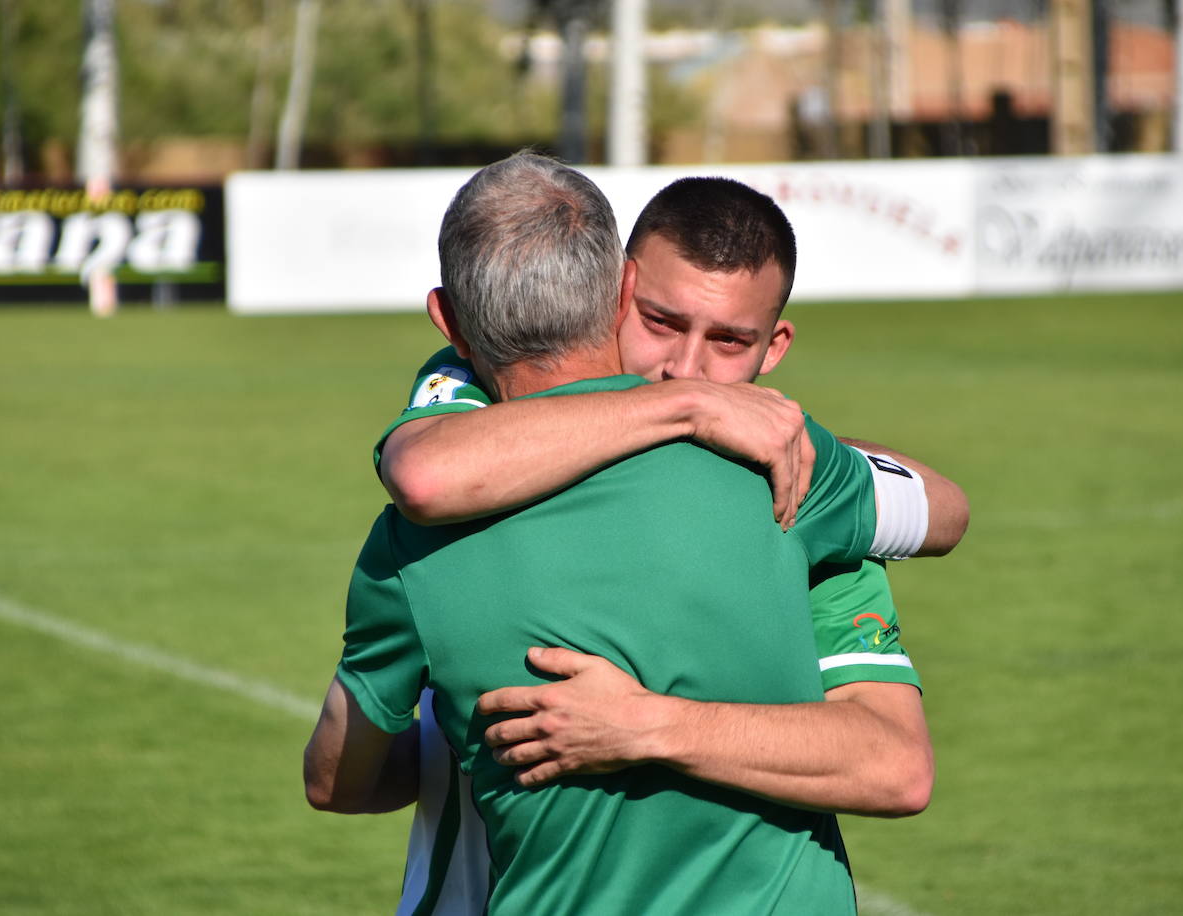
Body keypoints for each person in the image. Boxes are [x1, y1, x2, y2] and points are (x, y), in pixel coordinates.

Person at [305, 153, 920, 915]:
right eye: (662, 323)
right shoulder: (798, 486)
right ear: (623, 291)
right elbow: (426, 469)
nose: (685, 370)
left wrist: (649, 726)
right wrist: (691, 413)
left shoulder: (797, 479)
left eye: (727, 341)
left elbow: (897, 766)